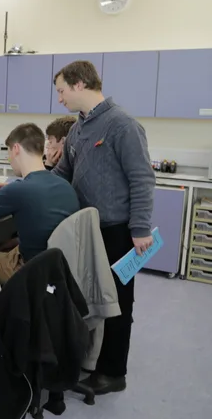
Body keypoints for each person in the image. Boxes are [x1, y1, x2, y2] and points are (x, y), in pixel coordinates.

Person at [52, 60, 155, 395]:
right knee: (93, 299)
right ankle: (91, 359)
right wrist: (36, 186)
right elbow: (63, 173)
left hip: (118, 231)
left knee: (118, 302)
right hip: (87, 230)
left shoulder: (122, 126)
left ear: (80, 84)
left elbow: (142, 179)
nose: (60, 99)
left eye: (62, 90)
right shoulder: (78, 129)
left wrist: (140, 229)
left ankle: (113, 372)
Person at [0, 123, 79, 283]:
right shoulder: (64, 185)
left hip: (32, 271)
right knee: (5, 247)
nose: (10, 160)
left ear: (16, 149)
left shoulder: (17, 190)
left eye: (9, 153)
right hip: (60, 268)